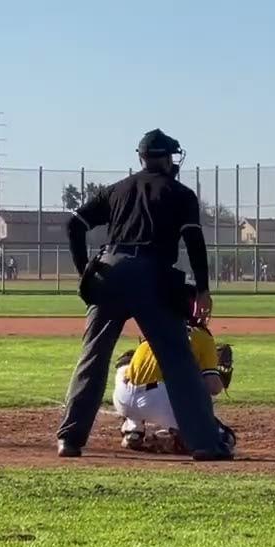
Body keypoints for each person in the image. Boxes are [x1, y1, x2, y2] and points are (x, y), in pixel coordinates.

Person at [55, 129, 231, 461]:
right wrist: (204, 289)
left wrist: (85, 271)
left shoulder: (117, 190)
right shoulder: (181, 194)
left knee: (92, 359)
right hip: (151, 274)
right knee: (178, 361)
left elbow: (73, 225)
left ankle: (70, 440)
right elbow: (194, 243)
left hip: (108, 272)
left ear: (140, 158)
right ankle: (206, 444)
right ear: (168, 159)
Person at [113, 285, 236, 453]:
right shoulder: (201, 336)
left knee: (127, 362)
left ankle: (133, 429)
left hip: (122, 398)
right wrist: (219, 375)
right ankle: (180, 436)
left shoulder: (154, 328)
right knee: (223, 438)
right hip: (159, 402)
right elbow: (213, 388)